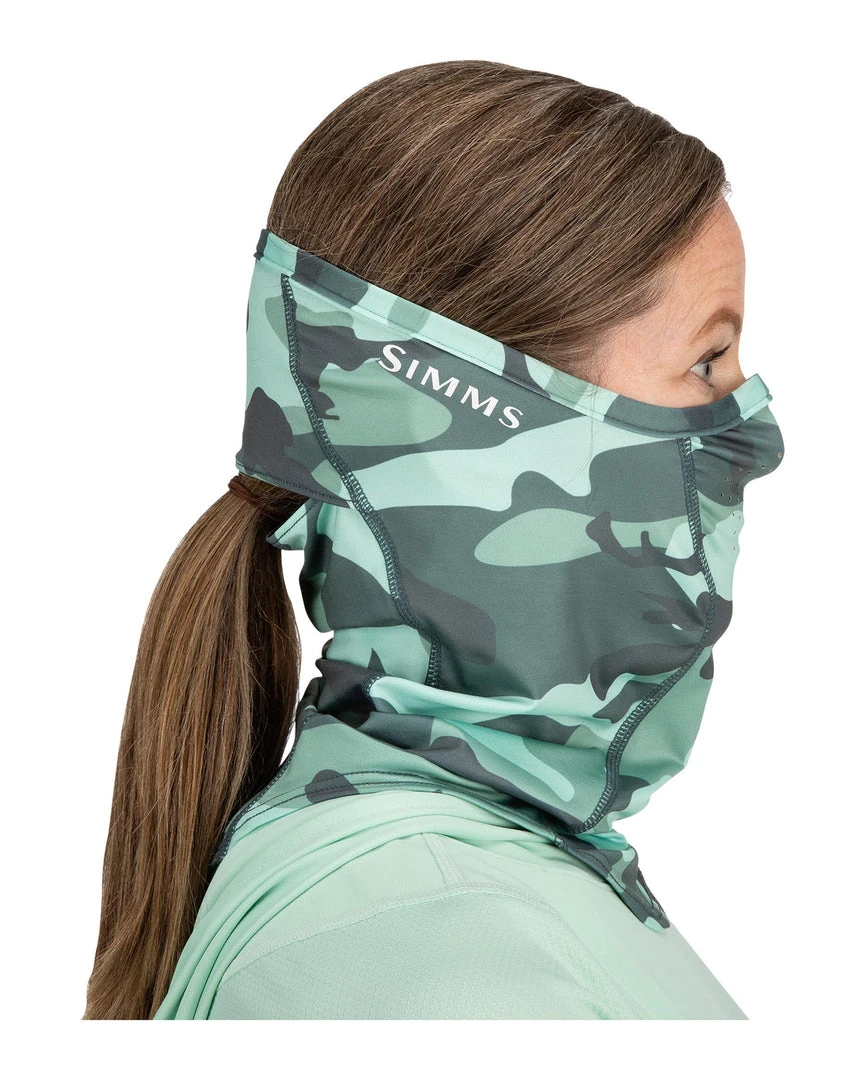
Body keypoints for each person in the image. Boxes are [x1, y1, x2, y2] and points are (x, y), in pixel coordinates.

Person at [83, 59, 784, 1021]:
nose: (758, 434)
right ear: (491, 423)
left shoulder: (458, 885)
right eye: (708, 360)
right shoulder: (429, 933)